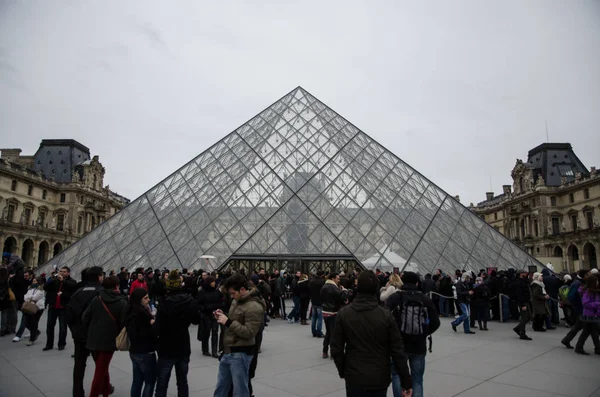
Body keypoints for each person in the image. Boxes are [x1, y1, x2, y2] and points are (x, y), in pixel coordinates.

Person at [331, 270, 413, 397]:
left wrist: (344, 371)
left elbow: (336, 348)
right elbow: (398, 351)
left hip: (354, 376)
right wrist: (406, 381)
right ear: (376, 288)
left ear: (358, 287)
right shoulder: (386, 315)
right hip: (379, 377)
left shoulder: (344, 314)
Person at [385, 271, 439, 397]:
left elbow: (385, 318)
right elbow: (436, 322)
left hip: (399, 345)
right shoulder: (425, 299)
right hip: (419, 346)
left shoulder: (396, 297)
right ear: (416, 283)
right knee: (417, 379)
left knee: (397, 376)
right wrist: (424, 333)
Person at [214, 274, 265, 397]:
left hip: (240, 354)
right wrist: (223, 315)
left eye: (233, 293)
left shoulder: (254, 307)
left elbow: (249, 333)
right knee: (221, 388)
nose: (231, 297)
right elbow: (235, 320)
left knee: (240, 391)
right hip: (228, 350)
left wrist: (228, 322)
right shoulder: (237, 300)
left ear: (242, 289)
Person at [154, 270, 201, 397]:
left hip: (166, 347)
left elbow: (157, 329)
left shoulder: (164, 304)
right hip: (183, 346)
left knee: (162, 383)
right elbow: (197, 320)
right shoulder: (189, 301)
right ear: (180, 285)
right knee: (182, 382)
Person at [83, 275, 127, 397]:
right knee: (100, 371)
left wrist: (91, 330)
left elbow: (85, 318)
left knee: (102, 368)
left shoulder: (97, 299)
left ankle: (106, 391)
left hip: (93, 339)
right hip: (109, 341)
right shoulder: (121, 302)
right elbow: (124, 323)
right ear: (117, 286)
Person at [66, 266, 104, 397]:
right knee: (100, 366)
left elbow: (69, 315)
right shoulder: (102, 292)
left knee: (79, 365)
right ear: (99, 277)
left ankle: (77, 393)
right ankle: (103, 388)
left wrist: (74, 331)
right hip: (96, 336)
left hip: (80, 335)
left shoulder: (78, 292)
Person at [126, 288, 157, 397]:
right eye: (145, 298)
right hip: (145, 351)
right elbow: (144, 334)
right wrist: (153, 325)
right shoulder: (141, 314)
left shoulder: (130, 310)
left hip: (134, 351)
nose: (148, 300)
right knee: (150, 381)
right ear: (138, 299)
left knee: (137, 381)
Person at [43, 265, 77, 351]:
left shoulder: (72, 281)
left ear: (68, 273)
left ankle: (61, 344)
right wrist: (52, 278)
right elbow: (45, 287)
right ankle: (49, 344)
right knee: (49, 326)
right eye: (61, 271)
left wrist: (63, 281)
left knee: (63, 327)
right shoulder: (55, 280)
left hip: (64, 307)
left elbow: (72, 289)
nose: (62, 273)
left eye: (64, 271)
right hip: (53, 306)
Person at [320, 273, 347, 359]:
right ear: (333, 278)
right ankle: (332, 352)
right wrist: (344, 291)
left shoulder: (324, 286)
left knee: (328, 332)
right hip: (333, 312)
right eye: (338, 279)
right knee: (333, 333)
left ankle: (324, 351)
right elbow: (342, 298)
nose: (339, 280)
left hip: (325, 311)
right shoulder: (334, 287)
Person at [561, 269, 590, 349]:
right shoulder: (577, 283)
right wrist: (580, 302)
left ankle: (567, 340)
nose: (589, 276)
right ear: (584, 275)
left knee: (579, 326)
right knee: (585, 327)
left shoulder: (579, 282)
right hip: (580, 308)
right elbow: (571, 296)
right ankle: (578, 345)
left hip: (581, 308)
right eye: (588, 274)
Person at [197, 275, 224, 358]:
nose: (214, 283)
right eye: (212, 282)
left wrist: (218, 307)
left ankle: (214, 351)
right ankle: (205, 349)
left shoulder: (217, 292)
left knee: (215, 332)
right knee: (206, 332)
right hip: (206, 314)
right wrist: (205, 308)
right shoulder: (202, 292)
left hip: (215, 314)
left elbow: (222, 302)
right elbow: (198, 304)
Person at [574, 274, 600, 355]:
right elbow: (585, 303)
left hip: (591, 315)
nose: (597, 282)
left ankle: (580, 347)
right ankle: (596, 348)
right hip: (590, 315)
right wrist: (598, 304)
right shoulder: (588, 292)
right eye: (596, 281)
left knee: (588, 332)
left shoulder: (591, 291)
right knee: (591, 332)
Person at [20, 276, 46, 346]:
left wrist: (29, 298)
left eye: (35, 281)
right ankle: (36, 332)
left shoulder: (41, 289)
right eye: (33, 281)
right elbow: (25, 296)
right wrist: (29, 298)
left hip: (38, 308)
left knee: (34, 323)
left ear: (38, 282)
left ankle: (32, 339)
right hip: (30, 307)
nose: (33, 282)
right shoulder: (30, 288)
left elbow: (35, 297)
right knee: (26, 323)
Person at [512, 269, 533, 341]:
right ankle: (522, 334)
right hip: (522, 302)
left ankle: (517, 328)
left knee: (529, 316)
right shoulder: (518, 282)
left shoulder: (524, 281)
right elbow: (519, 294)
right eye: (524, 273)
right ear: (521, 273)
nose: (526, 274)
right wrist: (522, 304)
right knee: (524, 317)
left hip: (526, 301)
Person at [308, 270, 325, 337]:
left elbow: (309, 290)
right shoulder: (322, 282)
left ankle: (313, 331)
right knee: (320, 318)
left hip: (313, 301)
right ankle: (319, 332)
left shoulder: (311, 281)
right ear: (322, 275)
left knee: (314, 317)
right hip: (320, 301)